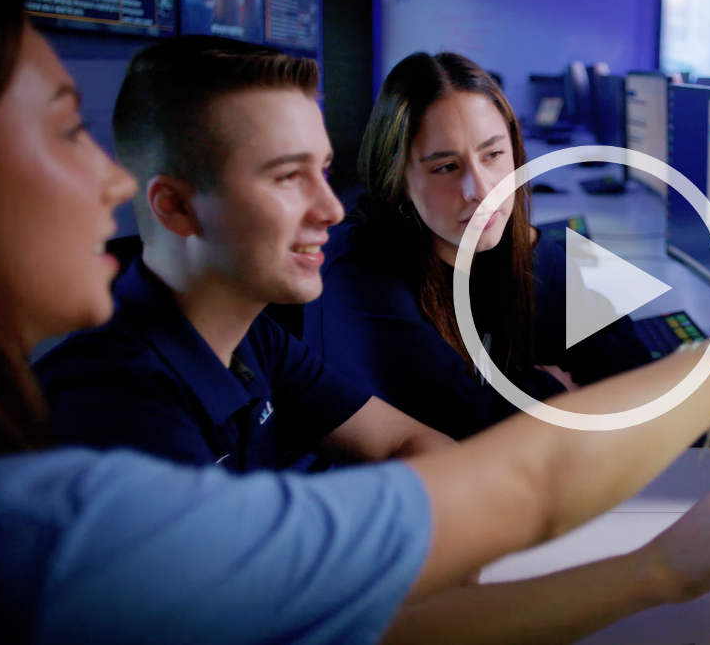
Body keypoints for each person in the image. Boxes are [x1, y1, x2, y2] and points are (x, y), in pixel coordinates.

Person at [0, 0, 710, 643]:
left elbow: (425, 455)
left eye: (496, 156)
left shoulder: (250, 340)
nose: (330, 208)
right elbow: (512, 476)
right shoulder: (109, 433)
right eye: (67, 131)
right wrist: (657, 557)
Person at [34, 36, 455, 472]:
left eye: (323, 170)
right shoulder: (113, 406)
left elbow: (403, 440)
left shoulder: (250, 335)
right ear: (177, 207)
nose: (332, 210)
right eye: (289, 176)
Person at [305, 51, 651, 440]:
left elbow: (626, 362)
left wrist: (546, 398)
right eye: (445, 167)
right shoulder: (358, 273)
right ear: (399, 178)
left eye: (493, 154)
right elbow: (466, 430)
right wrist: (555, 394)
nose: (482, 190)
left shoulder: (507, 239)